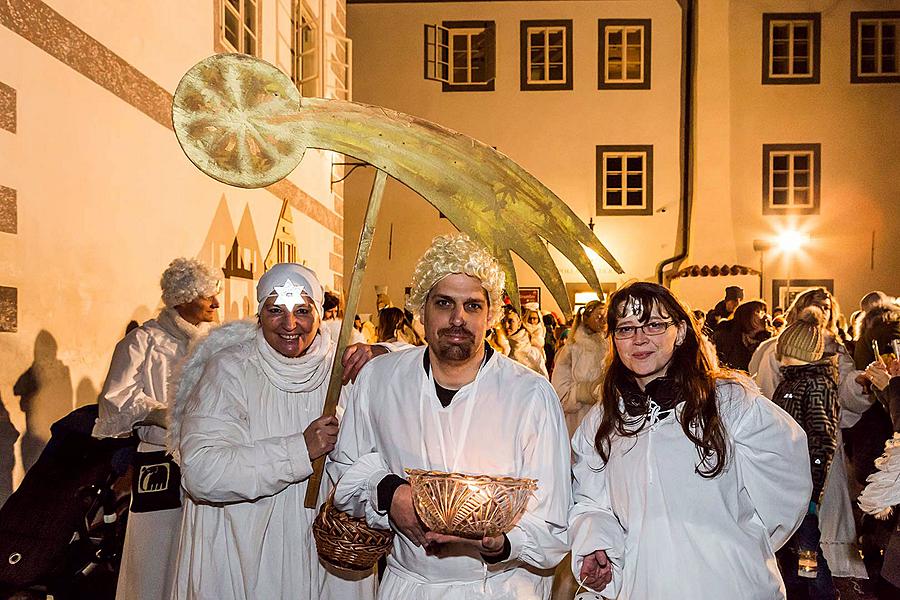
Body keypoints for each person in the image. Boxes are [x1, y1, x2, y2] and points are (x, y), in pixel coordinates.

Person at [329, 233, 571, 599]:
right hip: (409, 586)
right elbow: (343, 468)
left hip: (497, 588)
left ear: (491, 315)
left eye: (472, 306)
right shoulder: (380, 380)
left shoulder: (530, 395)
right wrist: (389, 492)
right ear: (421, 311)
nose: (458, 318)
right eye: (444, 303)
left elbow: (554, 526)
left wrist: (502, 543)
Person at [568, 281, 810, 599]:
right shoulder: (604, 421)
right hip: (644, 584)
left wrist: (739, 541)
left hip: (725, 584)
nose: (639, 339)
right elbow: (590, 501)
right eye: (625, 329)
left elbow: (786, 481)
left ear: (680, 331)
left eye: (653, 325)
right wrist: (598, 544)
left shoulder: (729, 402)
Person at [168, 263, 385, 600]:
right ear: (259, 314)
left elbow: (427, 374)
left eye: (302, 310)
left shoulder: (346, 367)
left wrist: (384, 354)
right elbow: (201, 471)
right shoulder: (230, 370)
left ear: (319, 312)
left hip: (328, 554)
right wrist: (298, 450)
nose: (290, 324)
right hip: (247, 553)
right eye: (275, 310)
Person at [92, 257, 221, 600]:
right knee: (155, 548)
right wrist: (159, 414)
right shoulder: (142, 341)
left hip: (206, 460)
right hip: (158, 460)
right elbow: (114, 400)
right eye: (208, 295)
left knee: (199, 547)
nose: (216, 303)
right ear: (183, 298)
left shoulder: (215, 344)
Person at [770, 308, 840, 599]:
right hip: (788, 482)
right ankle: (800, 591)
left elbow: (822, 439)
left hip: (803, 486)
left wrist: (813, 491)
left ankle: (821, 592)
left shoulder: (814, 384)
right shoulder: (792, 381)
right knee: (792, 550)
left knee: (807, 550)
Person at [551, 299, 610, 438]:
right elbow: (559, 391)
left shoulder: (610, 347)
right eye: (598, 316)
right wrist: (583, 392)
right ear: (586, 318)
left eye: (605, 317)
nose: (603, 321)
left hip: (604, 418)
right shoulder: (572, 349)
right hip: (578, 419)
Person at [711, 300, 773, 372]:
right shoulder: (726, 337)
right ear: (746, 316)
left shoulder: (767, 341)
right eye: (758, 312)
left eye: (764, 312)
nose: (765, 316)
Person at [500, 306, 549, 378]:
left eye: (510, 321)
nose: (506, 325)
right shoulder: (500, 348)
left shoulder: (533, 353)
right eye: (503, 321)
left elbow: (543, 382)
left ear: (519, 323)